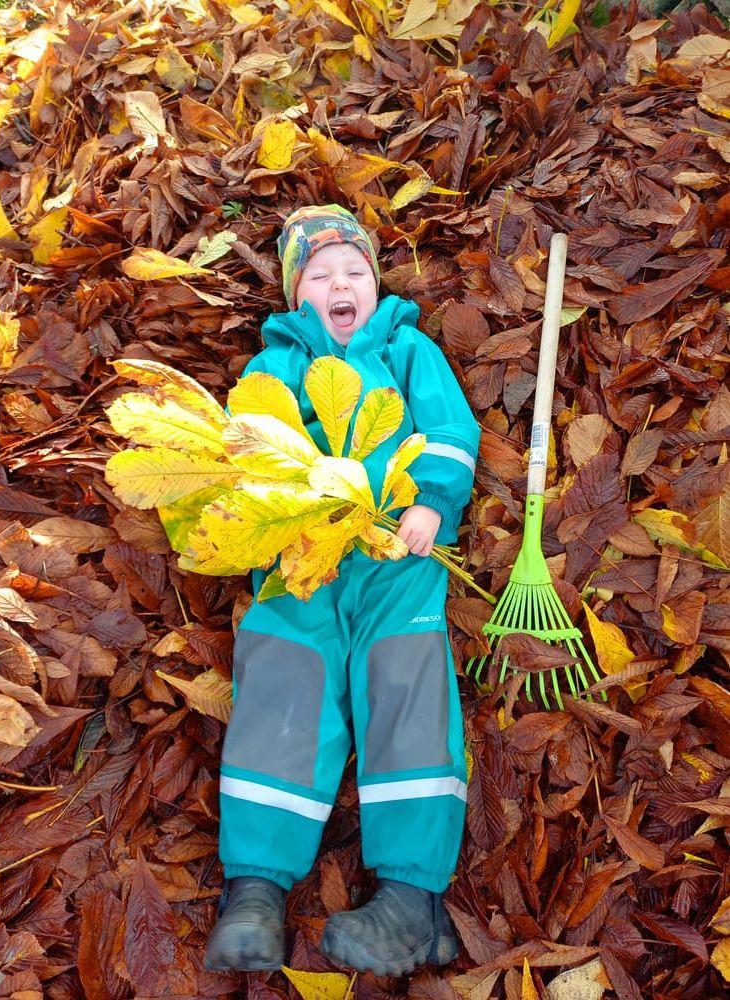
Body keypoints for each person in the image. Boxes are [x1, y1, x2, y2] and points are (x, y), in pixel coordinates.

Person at [204, 205, 480, 977]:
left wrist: (431, 501)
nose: (340, 283)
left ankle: (410, 902)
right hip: (305, 556)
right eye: (320, 276)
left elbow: (452, 430)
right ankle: (255, 890)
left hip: (398, 547)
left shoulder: (407, 346)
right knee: (284, 684)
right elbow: (249, 451)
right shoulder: (273, 368)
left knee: (407, 686)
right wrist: (275, 511)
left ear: (375, 283)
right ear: (298, 300)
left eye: (354, 270)